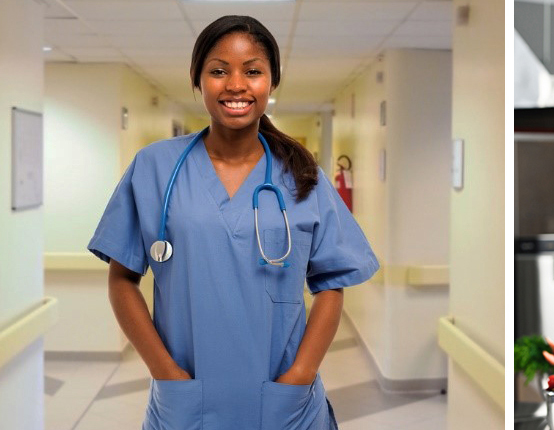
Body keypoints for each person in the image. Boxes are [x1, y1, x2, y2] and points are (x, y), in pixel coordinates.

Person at [88, 15, 377, 430]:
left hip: (284, 403)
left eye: (253, 71)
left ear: (271, 82)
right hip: (188, 400)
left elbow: (331, 283)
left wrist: (300, 375)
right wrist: (164, 372)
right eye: (219, 71)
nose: (236, 84)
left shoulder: (302, 175)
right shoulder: (154, 168)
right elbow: (122, 279)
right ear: (197, 79)